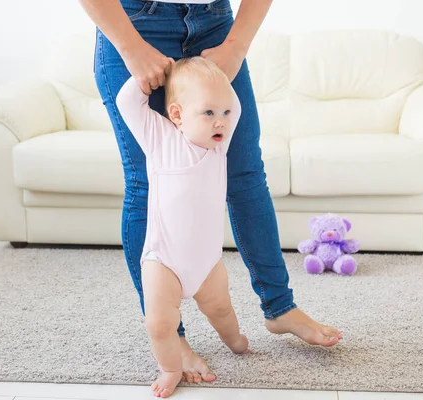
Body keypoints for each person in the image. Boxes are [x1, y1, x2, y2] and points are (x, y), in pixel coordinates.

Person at [80, 0, 343, 385]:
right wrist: (130, 47)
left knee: (247, 173)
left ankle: (280, 307)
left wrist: (237, 45)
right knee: (145, 180)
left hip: (215, 20)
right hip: (135, 21)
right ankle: (173, 340)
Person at [116, 56, 249, 398]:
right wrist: (153, 72)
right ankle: (170, 367)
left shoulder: (219, 145)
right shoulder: (161, 139)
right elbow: (126, 102)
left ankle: (234, 341)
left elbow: (232, 99)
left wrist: (216, 71)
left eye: (224, 114)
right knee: (159, 324)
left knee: (222, 310)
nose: (220, 121)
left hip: (207, 263)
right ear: (176, 115)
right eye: (208, 113)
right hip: (164, 259)